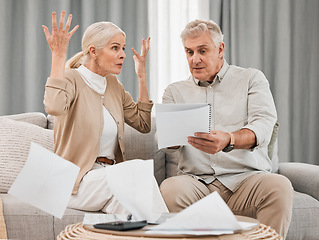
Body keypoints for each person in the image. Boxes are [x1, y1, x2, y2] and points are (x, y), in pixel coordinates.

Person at [159, 19, 293, 239]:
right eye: (189, 52)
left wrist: (229, 139)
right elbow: (167, 144)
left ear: (220, 49)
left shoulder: (251, 79)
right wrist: (171, 136)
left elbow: (263, 126)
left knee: (279, 186)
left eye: (202, 50)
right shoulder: (175, 92)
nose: (195, 59)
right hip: (197, 183)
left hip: (246, 180)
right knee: (170, 189)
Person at [42, 11, 153, 214]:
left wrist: (142, 76)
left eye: (123, 48)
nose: (124, 54)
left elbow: (143, 124)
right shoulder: (71, 78)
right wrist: (58, 54)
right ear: (94, 51)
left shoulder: (113, 85)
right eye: (115, 48)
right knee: (137, 171)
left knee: (132, 214)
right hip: (74, 180)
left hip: (105, 179)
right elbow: (54, 107)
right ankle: (172, 230)